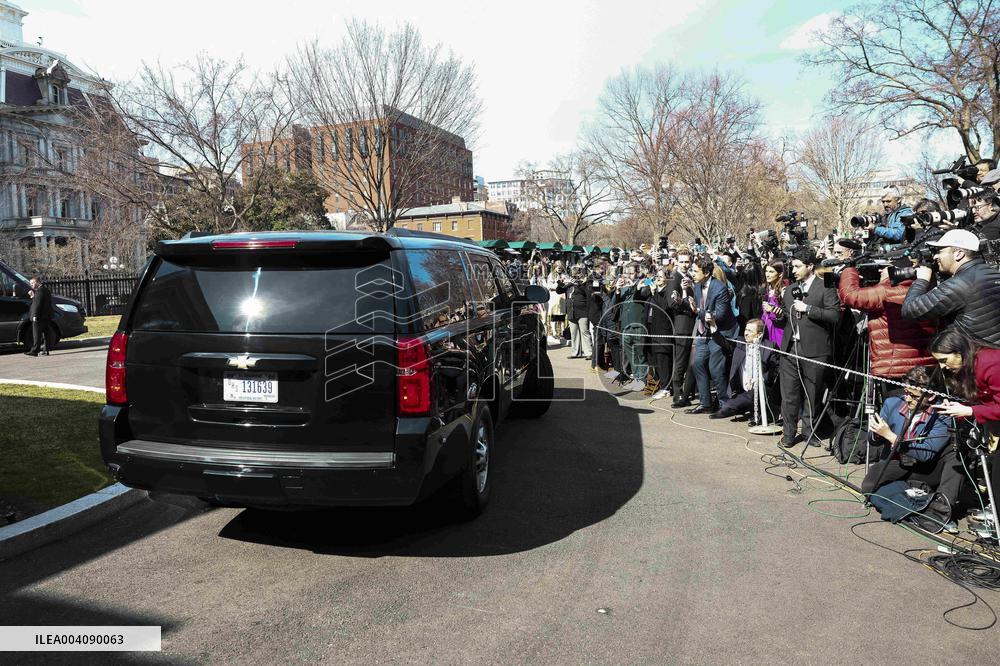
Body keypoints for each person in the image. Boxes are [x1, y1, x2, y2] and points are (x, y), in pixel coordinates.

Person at [928, 329, 1000, 522]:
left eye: (944, 360)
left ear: (959, 353)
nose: (942, 367)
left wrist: (970, 411)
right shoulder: (969, 366)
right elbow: (985, 400)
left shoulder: (991, 363)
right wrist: (959, 407)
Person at [776, 247, 841, 447]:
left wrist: (809, 309)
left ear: (810, 266)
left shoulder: (826, 287)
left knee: (812, 395)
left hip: (815, 351)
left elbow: (834, 316)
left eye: (797, 266)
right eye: (792, 266)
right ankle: (788, 434)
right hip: (790, 349)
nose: (793, 270)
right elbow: (789, 316)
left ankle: (809, 432)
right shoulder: (789, 290)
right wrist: (780, 316)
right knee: (789, 395)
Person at [861, 366, 954, 497]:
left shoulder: (942, 414)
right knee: (869, 487)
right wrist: (877, 432)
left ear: (931, 396)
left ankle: (912, 491)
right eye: (906, 392)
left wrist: (891, 436)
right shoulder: (891, 403)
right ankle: (910, 491)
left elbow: (926, 454)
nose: (908, 399)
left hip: (925, 467)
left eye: (914, 396)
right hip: (896, 462)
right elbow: (873, 441)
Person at [902, 229, 1000, 346]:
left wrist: (921, 280)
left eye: (940, 251)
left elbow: (910, 311)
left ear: (958, 253)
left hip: (975, 354)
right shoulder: (992, 272)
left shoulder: (960, 284)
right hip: (992, 353)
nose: (935, 256)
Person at [837, 264, 937, 379]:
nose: (880, 272)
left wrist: (849, 269)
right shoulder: (928, 288)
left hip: (893, 368)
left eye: (883, 269)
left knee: (898, 397)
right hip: (927, 367)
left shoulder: (886, 291)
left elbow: (850, 295)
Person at [686, 254, 739, 415]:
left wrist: (698, 311)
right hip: (704, 332)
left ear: (706, 273)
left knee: (716, 369)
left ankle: (724, 405)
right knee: (698, 364)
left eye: (695, 271)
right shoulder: (696, 286)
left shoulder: (719, 288)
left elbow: (720, 315)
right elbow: (699, 309)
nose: (692, 273)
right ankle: (705, 403)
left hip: (720, 333)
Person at [707, 318, 779, 422]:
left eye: (750, 331)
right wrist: (713, 324)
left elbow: (776, 369)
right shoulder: (740, 343)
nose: (746, 333)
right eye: (746, 329)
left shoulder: (769, 346)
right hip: (743, 389)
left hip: (763, 389)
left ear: (759, 334)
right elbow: (722, 341)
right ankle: (749, 410)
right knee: (730, 405)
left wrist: (761, 379)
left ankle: (763, 414)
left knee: (740, 402)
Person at [640, 268, 675, 400]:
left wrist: (655, 293)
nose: (658, 279)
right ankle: (662, 384)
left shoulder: (667, 292)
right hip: (651, 329)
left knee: (663, 360)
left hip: (663, 331)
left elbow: (664, 307)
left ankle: (666, 388)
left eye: (660, 277)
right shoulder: (653, 291)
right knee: (655, 359)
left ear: (667, 278)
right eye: (656, 277)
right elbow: (640, 297)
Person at [667, 251, 696, 408]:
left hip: (693, 324)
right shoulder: (674, 278)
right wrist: (684, 295)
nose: (685, 264)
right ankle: (677, 393)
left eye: (687, 262)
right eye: (682, 262)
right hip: (682, 325)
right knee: (680, 361)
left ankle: (686, 392)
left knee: (690, 363)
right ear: (676, 261)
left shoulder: (691, 277)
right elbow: (671, 304)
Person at [557, 265, 593, 360]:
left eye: (576, 273)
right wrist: (560, 282)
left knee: (584, 331)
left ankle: (588, 352)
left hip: (583, 310)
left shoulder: (585, 283)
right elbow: (559, 290)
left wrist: (578, 283)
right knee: (574, 333)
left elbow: (586, 293)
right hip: (571, 310)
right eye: (573, 274)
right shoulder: (569, 283)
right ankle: (576, 352)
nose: (574, 275)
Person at [759, 260, 785, 347]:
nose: (767, 274)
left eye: (771, 271)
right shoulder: (766, 288)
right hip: (766, 328)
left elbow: (786, 314)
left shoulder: (783, 291)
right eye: (766, 271)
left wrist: (773, 311)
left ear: (780, 274)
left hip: (778, 330)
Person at [25, 276, 53, 357]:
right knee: (46, 334)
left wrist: (35, 315)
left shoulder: (40, 291)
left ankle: (34, 351)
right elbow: (40, 301)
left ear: (37, 282)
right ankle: (46, 350)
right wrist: (33, 296)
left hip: (39, 317)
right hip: (46, 316)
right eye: (30, 284)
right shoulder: (44, 289)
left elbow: (38, 305)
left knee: (37, 334)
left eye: (32, 283)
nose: (31, 285)